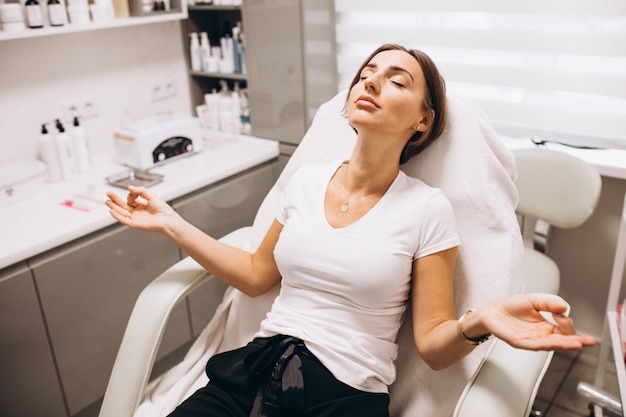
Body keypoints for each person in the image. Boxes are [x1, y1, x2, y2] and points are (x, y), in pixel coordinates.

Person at [106, 44, 595, 417]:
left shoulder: (427, 209)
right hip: (249, 374)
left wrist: (481, 320)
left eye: (397, 81)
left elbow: (431, 343)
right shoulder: (305, 181)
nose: (372, 84)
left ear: (423, 121)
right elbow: (257, 273)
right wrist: (171, 223)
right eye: (366, 76)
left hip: (340, 395)